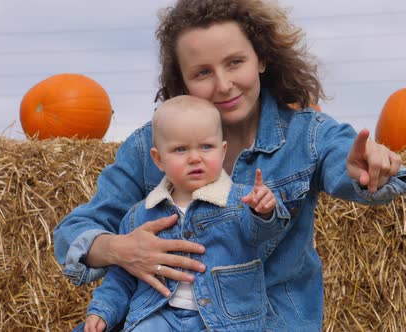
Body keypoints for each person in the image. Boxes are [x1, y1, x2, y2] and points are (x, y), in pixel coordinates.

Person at [54, 0, 406, 330]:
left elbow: (351, 166)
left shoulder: (308, 135)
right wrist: (120, 250)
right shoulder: (148, 146)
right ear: (182, 82)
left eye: (234, 63)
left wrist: (366, 172)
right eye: (202, 73)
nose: (224, 85)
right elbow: (74, 232)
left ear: (260, 58)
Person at [82, 95, 290, 332]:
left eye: (206, 147)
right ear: (158, 160)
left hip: (225, 319)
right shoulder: (140, 216)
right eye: (180, 149)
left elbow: (265, 233)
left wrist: (264, 211)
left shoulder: (241, 202)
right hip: (159, 313)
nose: (195, 157)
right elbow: (122, 275)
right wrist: (102, 311)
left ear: (222, 152)